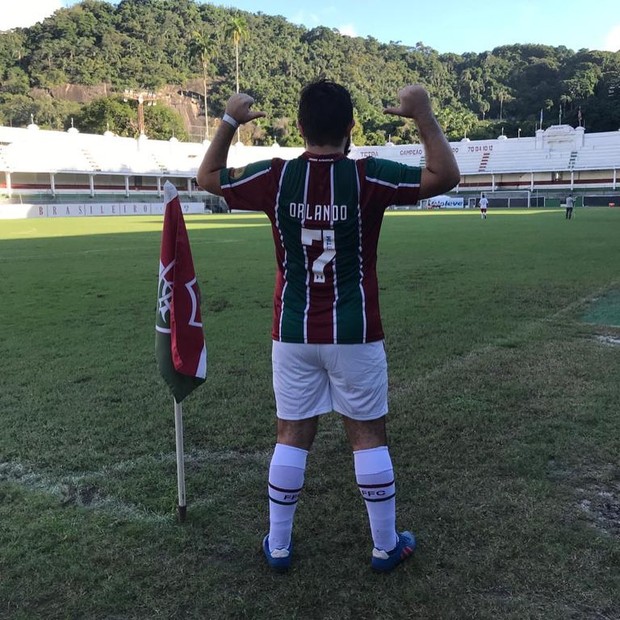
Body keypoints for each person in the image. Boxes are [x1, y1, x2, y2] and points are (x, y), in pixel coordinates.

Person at [197, 79, 460, 573]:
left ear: (299, 127)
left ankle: (278, 545)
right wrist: (422, 114)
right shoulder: (367, 177)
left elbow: (208, 177)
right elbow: (445, 176)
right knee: (367, 436)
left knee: (291, 434)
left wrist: (230, 119)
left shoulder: (275, 177)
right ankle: (385, 545)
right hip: (355, 332)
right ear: (351, 129)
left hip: (293, 332)